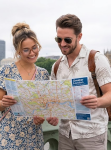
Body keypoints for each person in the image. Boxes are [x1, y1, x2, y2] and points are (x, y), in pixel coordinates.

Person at [47, 14, 111, 150]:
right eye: (58, 39)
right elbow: (54, 99)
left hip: (92, 136)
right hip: (65, 135)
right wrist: (53, 114)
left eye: (67, 40)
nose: (62, 44)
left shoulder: (96, 59)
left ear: (79, 37)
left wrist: (98, 102)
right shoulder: (57, 66)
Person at [0, 22, 49, 149]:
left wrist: (42, 116)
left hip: (33, 136)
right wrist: (4, 103)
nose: (32, 53)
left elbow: (45, 105)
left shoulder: (43, 74)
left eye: (34, 47)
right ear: (18, 51)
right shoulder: (6, 70)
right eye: (26, 50)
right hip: (8, 136)